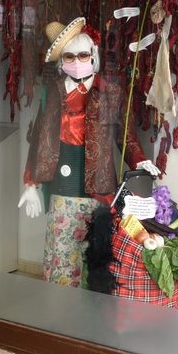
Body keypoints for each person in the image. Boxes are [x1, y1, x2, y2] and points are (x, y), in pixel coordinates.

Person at [18, 17, 159, 287]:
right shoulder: (52, 92)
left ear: (93, 56)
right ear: (62, 61)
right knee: (61, 261)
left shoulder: (111, 93)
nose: (77, 61)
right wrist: (31, 183)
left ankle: (92, 311)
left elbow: (126, 135)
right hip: (62, 190)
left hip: (100, 191)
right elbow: (39, 140)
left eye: (83, 55)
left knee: (96, 263)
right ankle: (58, 309)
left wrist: (139, 161)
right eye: (69, 56)